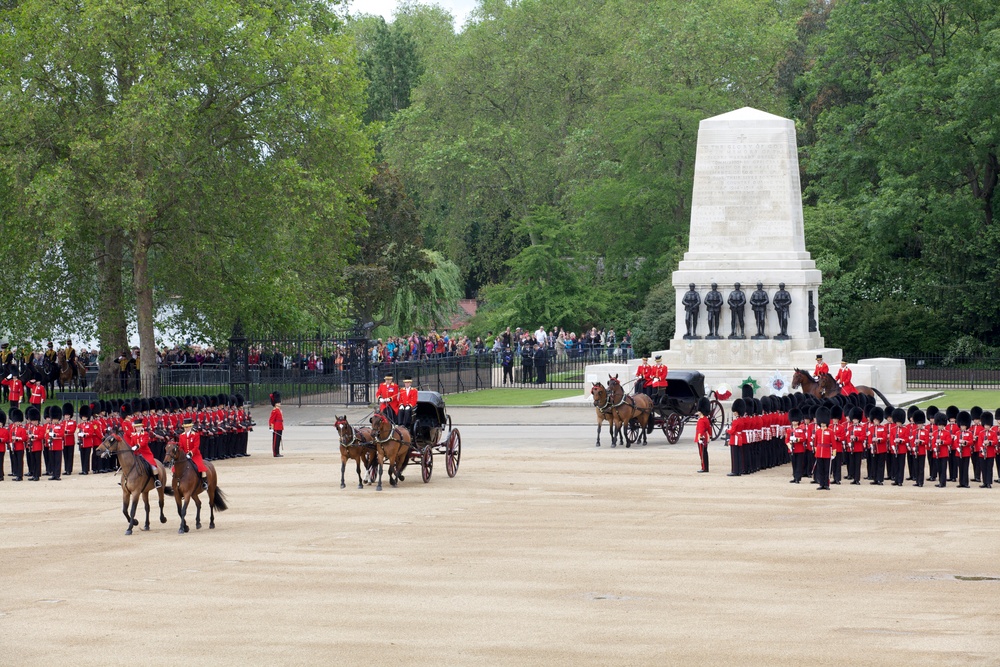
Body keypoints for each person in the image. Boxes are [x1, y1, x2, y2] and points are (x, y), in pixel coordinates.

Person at [178, 418, 209, 490]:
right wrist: (183, 454)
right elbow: (181, 446)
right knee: (175, 468)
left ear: (190, 427)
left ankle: (204, 482)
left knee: (201, 467)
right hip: (185, 455)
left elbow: (196, 446)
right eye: (185, 427)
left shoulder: (195, 435)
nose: (186, 429)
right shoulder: (181, 436)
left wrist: (190, 453)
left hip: (195, 455)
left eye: (187, 427)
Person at [128, 419, 160, 487]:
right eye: (137, 427)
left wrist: (137, 446)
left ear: (141, 427)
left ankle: (156, 480)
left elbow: (144, 443)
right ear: (135, 428)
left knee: (153, 466)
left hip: (145, 453)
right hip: (136, 454)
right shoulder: (133, 435)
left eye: (139, 427)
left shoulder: (145, 434)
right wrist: (131, 448)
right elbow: (131, 444)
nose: (138, 428)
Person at [9, 408, 26, 481]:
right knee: (15, 461)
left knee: (20, 461)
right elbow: (10, 437)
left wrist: (17, 438)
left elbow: (24, 438)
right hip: (14, 447)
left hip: (20, 447)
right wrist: (11, 442)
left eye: (18, 421)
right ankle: (17, 474)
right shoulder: (12, 429)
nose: (16, 423)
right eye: (16, 422)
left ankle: (20, 475)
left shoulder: (22, 429)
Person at [694, 398, 712, 472]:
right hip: (704, 437)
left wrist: (700, 438)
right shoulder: (705, 419)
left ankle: (704, 468)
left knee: (702, 453)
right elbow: (709, 429)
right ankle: (705, 467)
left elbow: (701, 430)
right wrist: (710, 436)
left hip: (701, 438)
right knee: (704, 453)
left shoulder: (702, 420)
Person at [268, 392, 283, 457]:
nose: (279, 403)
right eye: (278, 403)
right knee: (275, 441)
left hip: (280, 426)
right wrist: (271, 427)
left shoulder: (279, 410)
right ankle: (275, 453)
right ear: (275, 404)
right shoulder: (274, 410)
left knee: (278, 440)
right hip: (276, 427)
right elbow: (271, 419)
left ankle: (278, 452)